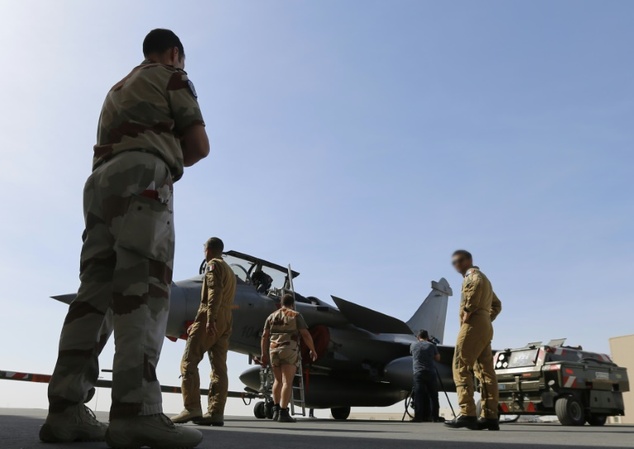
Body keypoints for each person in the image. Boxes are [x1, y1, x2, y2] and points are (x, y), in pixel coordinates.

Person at [41, 29, 209, 448]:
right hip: (144, 179)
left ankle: (65, 411)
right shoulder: (171, 75)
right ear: (175, 53)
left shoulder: (116, 88)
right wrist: (170, 163)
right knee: (143, 294)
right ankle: (137, 412)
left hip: (100, 186)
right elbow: (199, 145)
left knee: (92, 297)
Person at [172, 237, 237, 427]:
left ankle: (191, 407)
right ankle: (216, 413)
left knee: (188, 362)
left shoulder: (213, 266)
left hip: (212, 314)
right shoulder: (230, 271)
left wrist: (208, 320)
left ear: (207, 250)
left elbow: (214, 292)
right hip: (227, 319)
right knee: (219, 367)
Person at [445, 250, 503, 431]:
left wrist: (469, 314)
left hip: (473, 324)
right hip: (484, 325)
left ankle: (468, 413)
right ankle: (489, 416)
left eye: (460, 261)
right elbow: (497, 305)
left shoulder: (473, 276)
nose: (457, 265)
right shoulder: (487, 281)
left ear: (469, 260)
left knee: (460, 364)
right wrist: (486, 318)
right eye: (454, 262)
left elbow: (475, 289)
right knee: (485, 371)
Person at [260, 294, 318, 423]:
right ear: (292, 303)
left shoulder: (271, 316)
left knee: (277, 381)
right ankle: (283, 412)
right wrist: (312, 350)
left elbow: (264, 336)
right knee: (287, 382)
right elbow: (305, 334)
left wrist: (263, 354)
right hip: (289, 350)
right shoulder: (295, 315)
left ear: (281, 303)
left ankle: (275, 410)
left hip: (273, 350)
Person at [410, 330, 441, 422]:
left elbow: (413, 354)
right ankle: (435, 417)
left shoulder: (413, 345)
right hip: (430, 373)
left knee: (418, 396)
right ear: (427, 337)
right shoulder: (431, 345)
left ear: (418, 337)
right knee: (433, 396)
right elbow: (438, 358)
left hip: (418, 373)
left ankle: (418, 417)